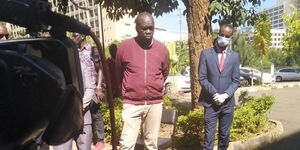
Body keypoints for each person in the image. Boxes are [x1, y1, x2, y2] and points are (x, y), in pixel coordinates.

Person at [115, 12, 170, 150]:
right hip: (132, 104)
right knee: (126, 145)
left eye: (151, 28)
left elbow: (165, 72)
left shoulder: (162, 49)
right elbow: (118, 72)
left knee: (151, 144)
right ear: (136, 28)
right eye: (144, 28)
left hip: (155, 104)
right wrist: (127, 90)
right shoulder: (124, 47)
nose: (148, 31)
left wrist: (155, 87)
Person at [198, 24, 240, 150]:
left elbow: (236, 80)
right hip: (211, 103)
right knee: (209, 138)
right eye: (221, 34)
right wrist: (215, 94)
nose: (223, 37)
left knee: (224, 136)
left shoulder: (235, 56)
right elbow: (202, 77)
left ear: (230, 38)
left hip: (227, 104)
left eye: (227, 36)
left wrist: (225, 95)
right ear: (218, 34)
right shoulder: (206, 54)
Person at [54, 33, 96, 150]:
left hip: (82, 118)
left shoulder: (81, 65)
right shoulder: (51, 70)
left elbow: (90, 87)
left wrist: (78, 106)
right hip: (61, 122)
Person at [90, 46, 106, 150]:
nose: (73, 38)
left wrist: (99, 87)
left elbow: (101, 68)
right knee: (87, 116)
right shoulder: (74, 50)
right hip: (82, 89)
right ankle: (91, 139)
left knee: (96, 115)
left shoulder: (93, 51)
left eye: (75, 35)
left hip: (94, 88)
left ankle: (100, 140)